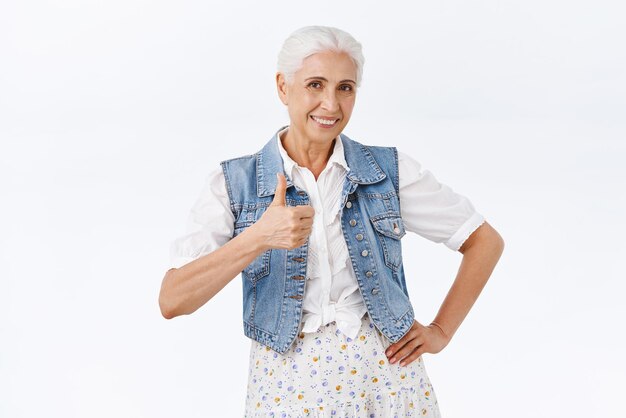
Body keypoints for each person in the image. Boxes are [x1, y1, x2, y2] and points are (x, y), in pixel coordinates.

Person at [159, 25, 505, 417]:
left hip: (389, 386)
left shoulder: (386, 172)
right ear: (283, 87)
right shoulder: (234, 184)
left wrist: (441, 331)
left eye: (345, 87)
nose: (331, 104)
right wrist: (257, 237)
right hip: (287, 394)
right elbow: (172, 299)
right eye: (315, 85)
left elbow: (484, 241)